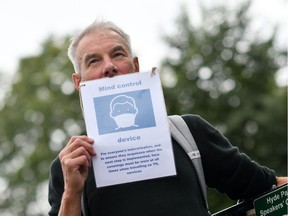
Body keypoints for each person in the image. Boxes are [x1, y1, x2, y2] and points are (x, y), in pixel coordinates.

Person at [48, 19, 287, 216]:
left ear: (135, 65)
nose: (109, 66)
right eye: (94, 61)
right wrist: (71, 194)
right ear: (79, 82)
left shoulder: (188, 133)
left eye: (118, 54)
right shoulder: (68, 166)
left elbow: (269, 187)